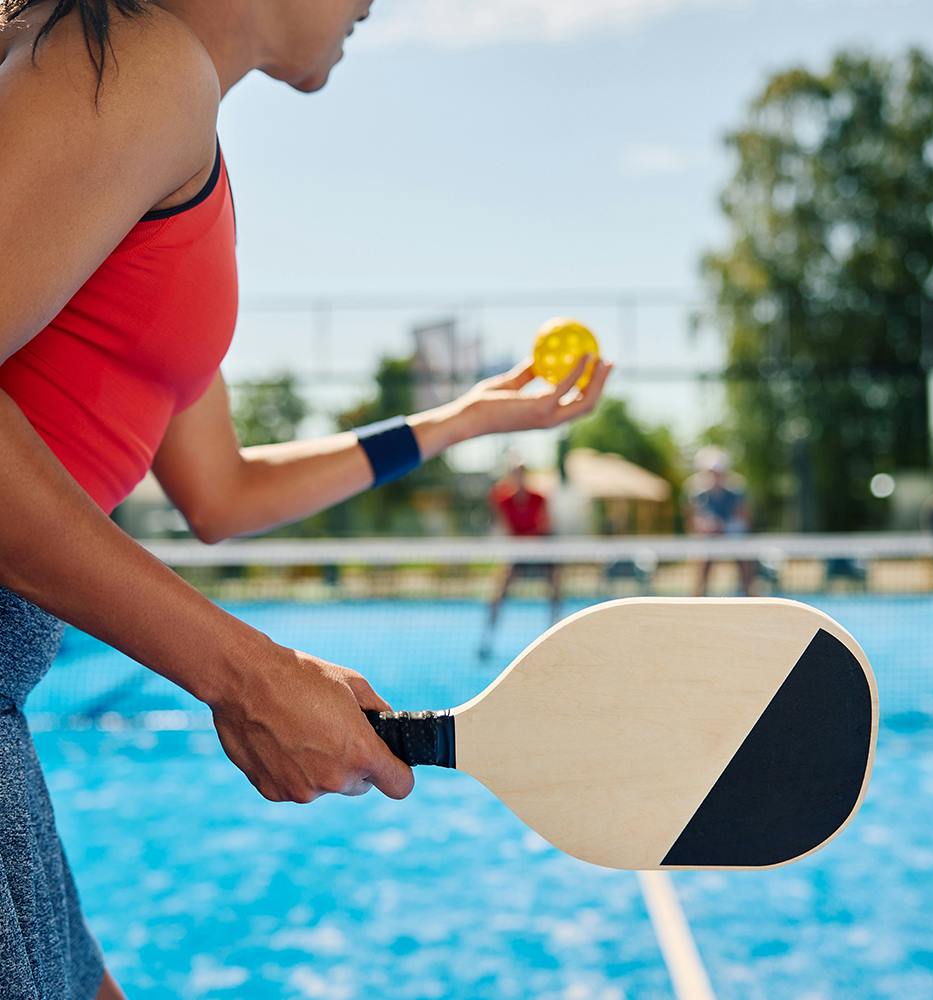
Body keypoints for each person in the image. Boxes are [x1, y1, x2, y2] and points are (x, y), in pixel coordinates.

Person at [0, 4, 612, 997]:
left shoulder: (172, 128)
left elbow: (222, 493)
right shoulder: (138, 63)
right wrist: (246, 673)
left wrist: (455, 421)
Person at [479, 462, 560, 660]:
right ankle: (487, 639)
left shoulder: (539, 498)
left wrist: (533, 543)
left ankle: (557, 634)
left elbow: (546, 524)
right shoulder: (503, 499)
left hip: (541, 549)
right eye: (515, 474)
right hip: (517, 552)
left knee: (556, 588)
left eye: (521, 473)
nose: (519, 477)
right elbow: (503, 522)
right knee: (498, 593)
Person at [685, 446, 757, 597]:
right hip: (708, 542)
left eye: (718, 472)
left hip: (734, 539)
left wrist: (724, 527)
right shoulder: (698, 494)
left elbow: (744, 519)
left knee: (746, 566)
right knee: (702, 566)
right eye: (711, 472)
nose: (715, 476)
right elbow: (694, 522)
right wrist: (705, 527)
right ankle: (696, 603)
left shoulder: (736, 492)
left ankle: (751, 598)